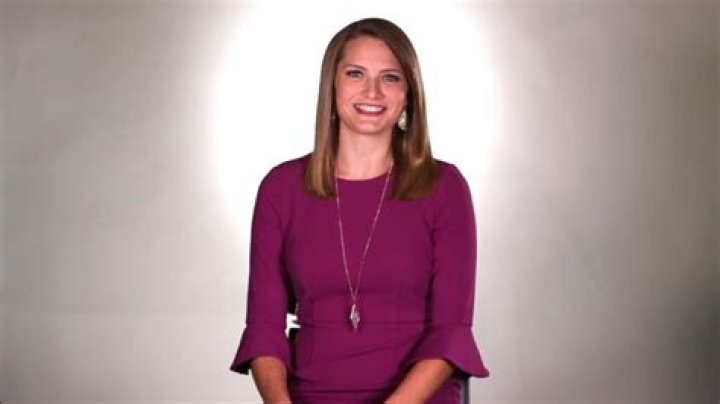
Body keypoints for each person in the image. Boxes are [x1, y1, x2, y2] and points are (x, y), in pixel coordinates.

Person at [230, 17, 489, 403]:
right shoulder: (280, 188)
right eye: (355, 74)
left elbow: (451, 332)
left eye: (390, 77)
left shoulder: (444, 188)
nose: (373, 91)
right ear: (332, 86)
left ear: (408, 94)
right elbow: (263, 329)